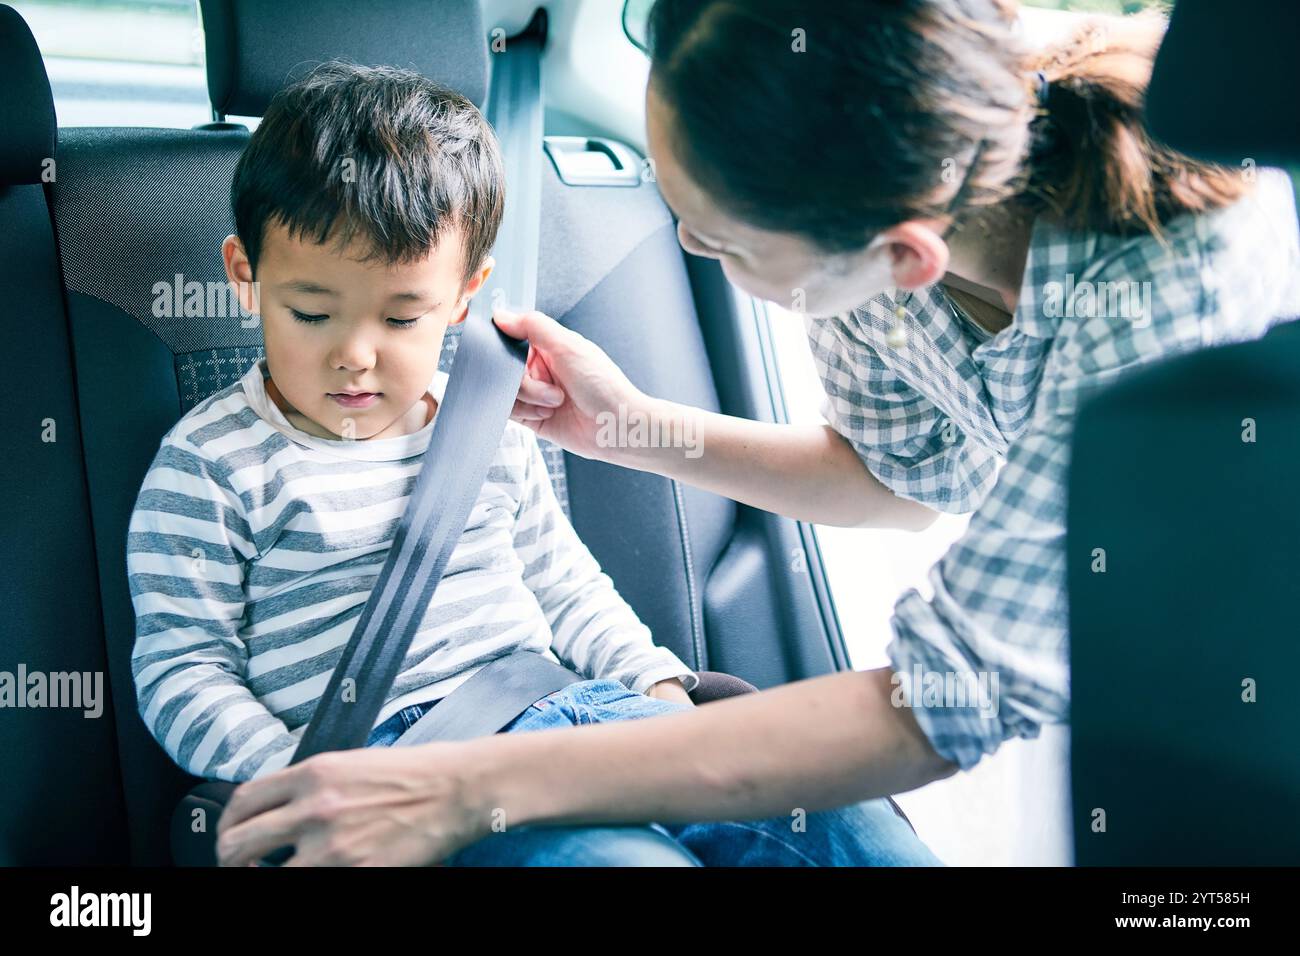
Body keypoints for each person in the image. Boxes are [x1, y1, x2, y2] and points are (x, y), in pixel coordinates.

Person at [215, 0, 1300, 868]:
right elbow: (892, 475)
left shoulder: (1171, 277)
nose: (684, 243)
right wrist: (630, 427)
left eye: (720, 239)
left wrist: (462, 786)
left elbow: (943, 701)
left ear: (901, 254)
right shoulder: (871, 250)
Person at [126, 61, 938, 866]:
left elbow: (561, 579)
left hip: (577, 714)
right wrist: (298, 780)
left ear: (462, 299)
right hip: (396, 775)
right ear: (246, 276)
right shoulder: (211, 464)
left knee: (837, 814)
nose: (355, 356)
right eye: (310, 311)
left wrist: (658, 690)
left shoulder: (481, 422)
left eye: (403, 318)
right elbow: (183, 667)